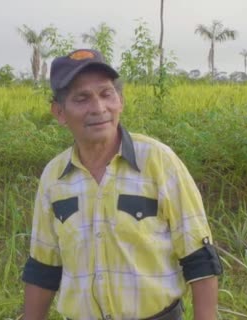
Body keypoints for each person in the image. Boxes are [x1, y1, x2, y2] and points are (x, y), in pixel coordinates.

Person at [22, 48, 222, 320]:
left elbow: (199, 256)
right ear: (59, 112)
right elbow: (43, 266)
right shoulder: (54, 176)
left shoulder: (158, 161)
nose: (99, 108)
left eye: (106, 94)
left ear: (121, 101)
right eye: (82, 98)